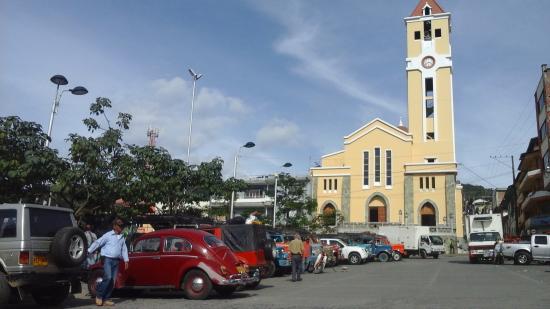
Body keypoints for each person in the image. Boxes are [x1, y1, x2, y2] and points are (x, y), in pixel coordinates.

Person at [88, 218, 129, 307]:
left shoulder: (122, 236)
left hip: (116, 261)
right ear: (114, 226)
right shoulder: (108, 235)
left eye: (122, 226)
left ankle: (106, 299)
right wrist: (89, 250)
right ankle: (99, 295)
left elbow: (124, 248)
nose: (121, 228)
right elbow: (98, 242)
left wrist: (126, 260)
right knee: (108, 277)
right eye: (119, 226)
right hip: (107, 259)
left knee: (112, 281)